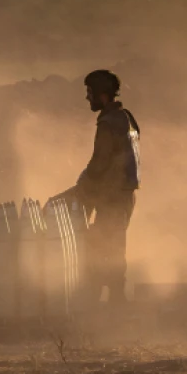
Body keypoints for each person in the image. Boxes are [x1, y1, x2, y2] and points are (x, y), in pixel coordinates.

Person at [55, 70, 140, 305]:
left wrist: (79, 189)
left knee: (103, 247)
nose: (87, 98)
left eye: (90, 93)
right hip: (125, 196)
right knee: (113, 244)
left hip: (112, 197)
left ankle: (107, 301)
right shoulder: (127, 117)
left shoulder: (108, 123)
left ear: (102, 96)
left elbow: (99, 164)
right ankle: (114, 298)